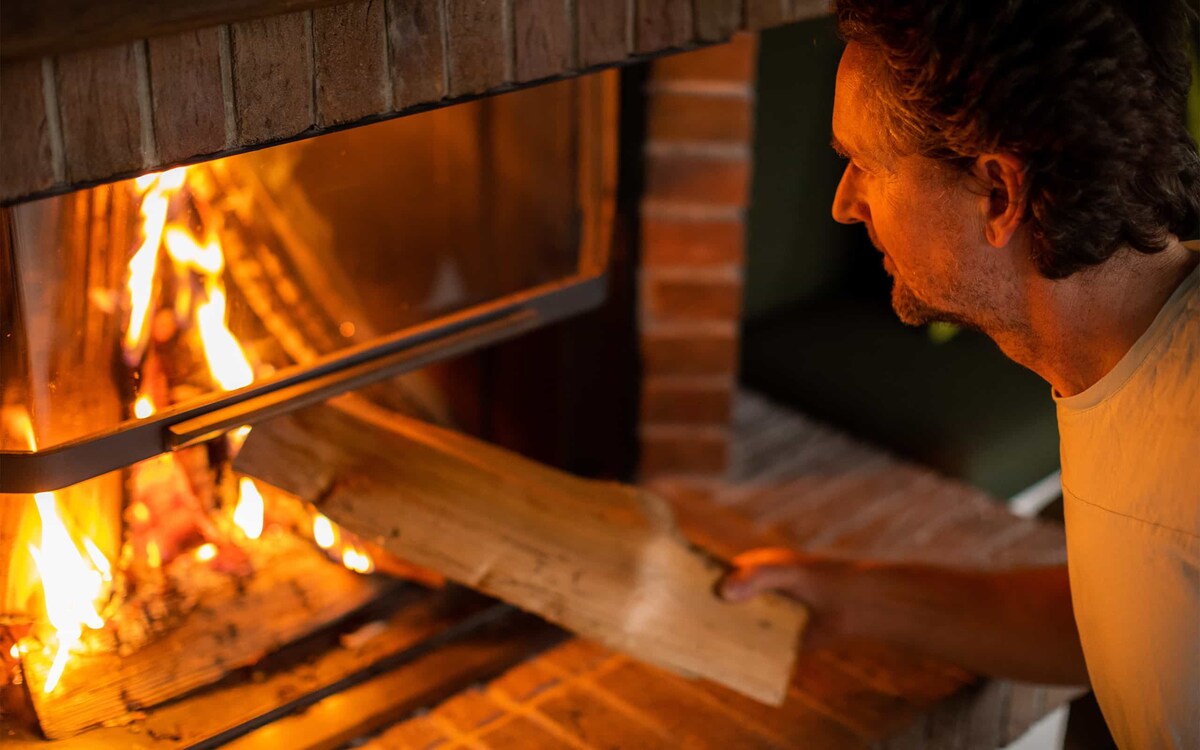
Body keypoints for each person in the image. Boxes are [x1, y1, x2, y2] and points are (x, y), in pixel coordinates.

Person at [719, 1, 1200, 747]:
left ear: (1001, 194)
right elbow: (1127, 618)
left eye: (867, 163)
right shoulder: (1136, 355)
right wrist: (851, 598)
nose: (846, 203)